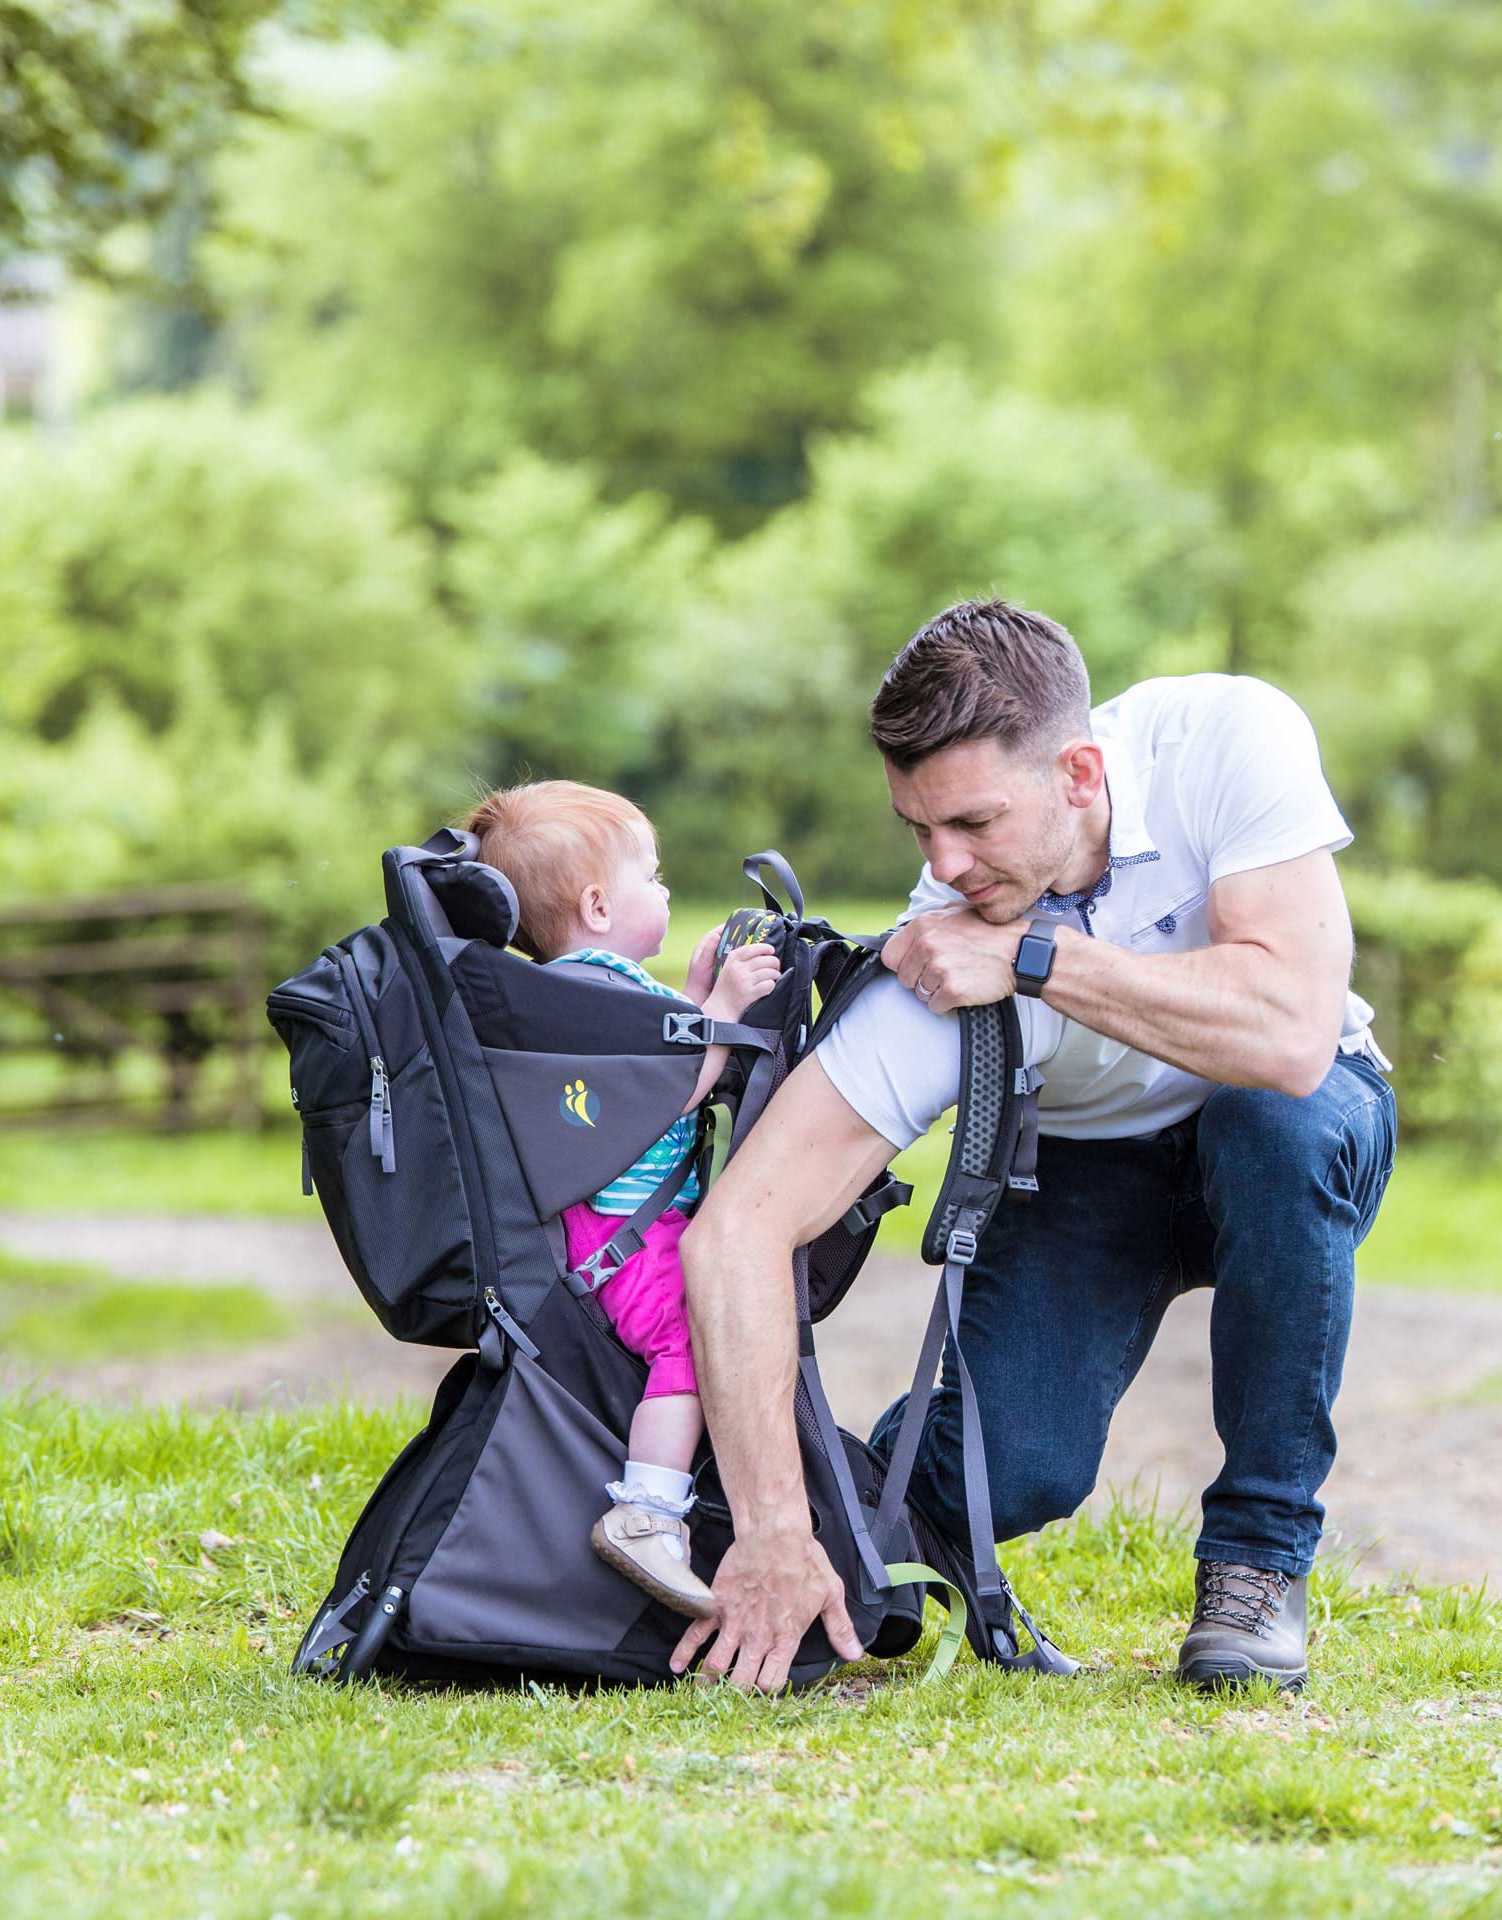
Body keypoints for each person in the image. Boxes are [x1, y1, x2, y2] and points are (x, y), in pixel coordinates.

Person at [672, 600, 1397, 1694]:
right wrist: (776, 1525)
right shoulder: (945, 944)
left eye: (973, 823)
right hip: (1085, 1171)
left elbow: (1294, 1035)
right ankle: (735, 1531)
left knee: (1269, 1129)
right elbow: (739, 1233)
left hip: (1297, 1115)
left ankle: (1256, 1563)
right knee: (990, 1481)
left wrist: (1039, 957)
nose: (948, 865)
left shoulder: (1232, 738)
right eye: (919, 829)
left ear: (1078, 771)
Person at [465, 780, 780, 1619]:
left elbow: (643, 1048)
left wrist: (693, 990)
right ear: (600, 903)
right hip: (625, 1239)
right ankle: (647, 1511)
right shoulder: (596, 992)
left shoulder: (576, 991)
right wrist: (722, 1010)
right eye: (653, 876)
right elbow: (664, 1093)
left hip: (602, 1227)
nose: (667, 890)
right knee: (695, 1346)